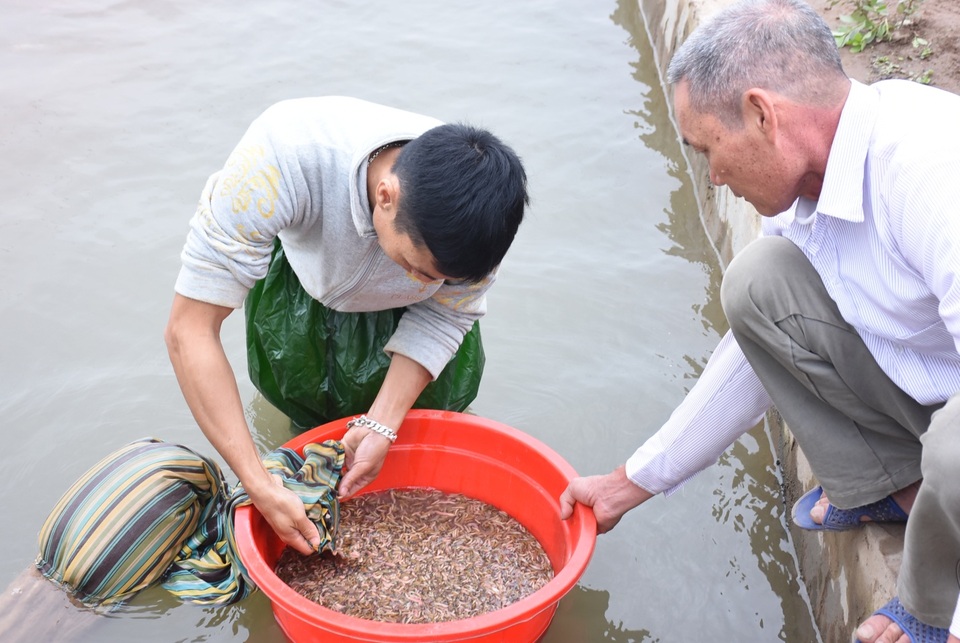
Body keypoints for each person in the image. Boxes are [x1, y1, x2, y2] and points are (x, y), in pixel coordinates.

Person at [558, 1, 960, 642]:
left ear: (762, 115)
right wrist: (630, 483)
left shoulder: (929, 173)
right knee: (757, 282)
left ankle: (931, 606)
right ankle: (902, 487)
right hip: (932, 385)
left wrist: (940, 600)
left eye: (710, 151)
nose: (714, 178)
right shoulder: (810, 181)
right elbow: (753, 352)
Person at [165, 97, 528, 557]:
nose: (430, 285)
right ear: (385, 197)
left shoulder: (481, 215)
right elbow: (188, 331)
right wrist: (257, 483)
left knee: (420, 438)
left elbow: (448, 311)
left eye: (446, 279)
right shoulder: (280, 158)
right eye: (421, 269)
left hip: (416, 325)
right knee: (303, 422)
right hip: (313, 284)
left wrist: (383, 424)